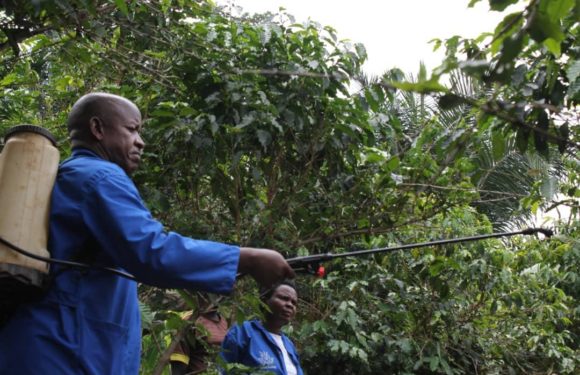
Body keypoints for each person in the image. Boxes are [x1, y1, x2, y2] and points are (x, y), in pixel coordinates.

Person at [0, 92, 294, 374]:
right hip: (64, 351)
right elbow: (152, 251)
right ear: (97, 128)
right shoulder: (99, 176)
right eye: (132, 130)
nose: (140, 142)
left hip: (47, 346)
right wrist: (249, 258)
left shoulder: (70, 175)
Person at [220, 280, 303, 375]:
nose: (290, 305)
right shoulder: (243, 331)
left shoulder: (289, 345)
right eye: (284, 298)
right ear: (264, 300)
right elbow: (223, 369)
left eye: (294, 302)